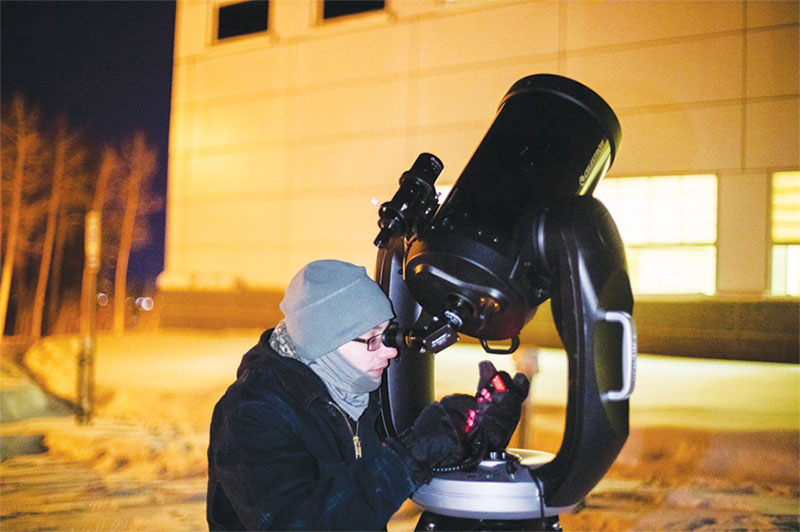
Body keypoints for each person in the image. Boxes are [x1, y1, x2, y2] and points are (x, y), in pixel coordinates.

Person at [207, 259, 528, 531]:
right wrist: (410, 455)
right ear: (324, 342)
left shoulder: (365, 393)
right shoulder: (252, 414)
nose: (389, 351)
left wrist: (480, 429)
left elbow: (433, 456)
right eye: (372, 338)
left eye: (387, 332)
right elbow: (296, 522)